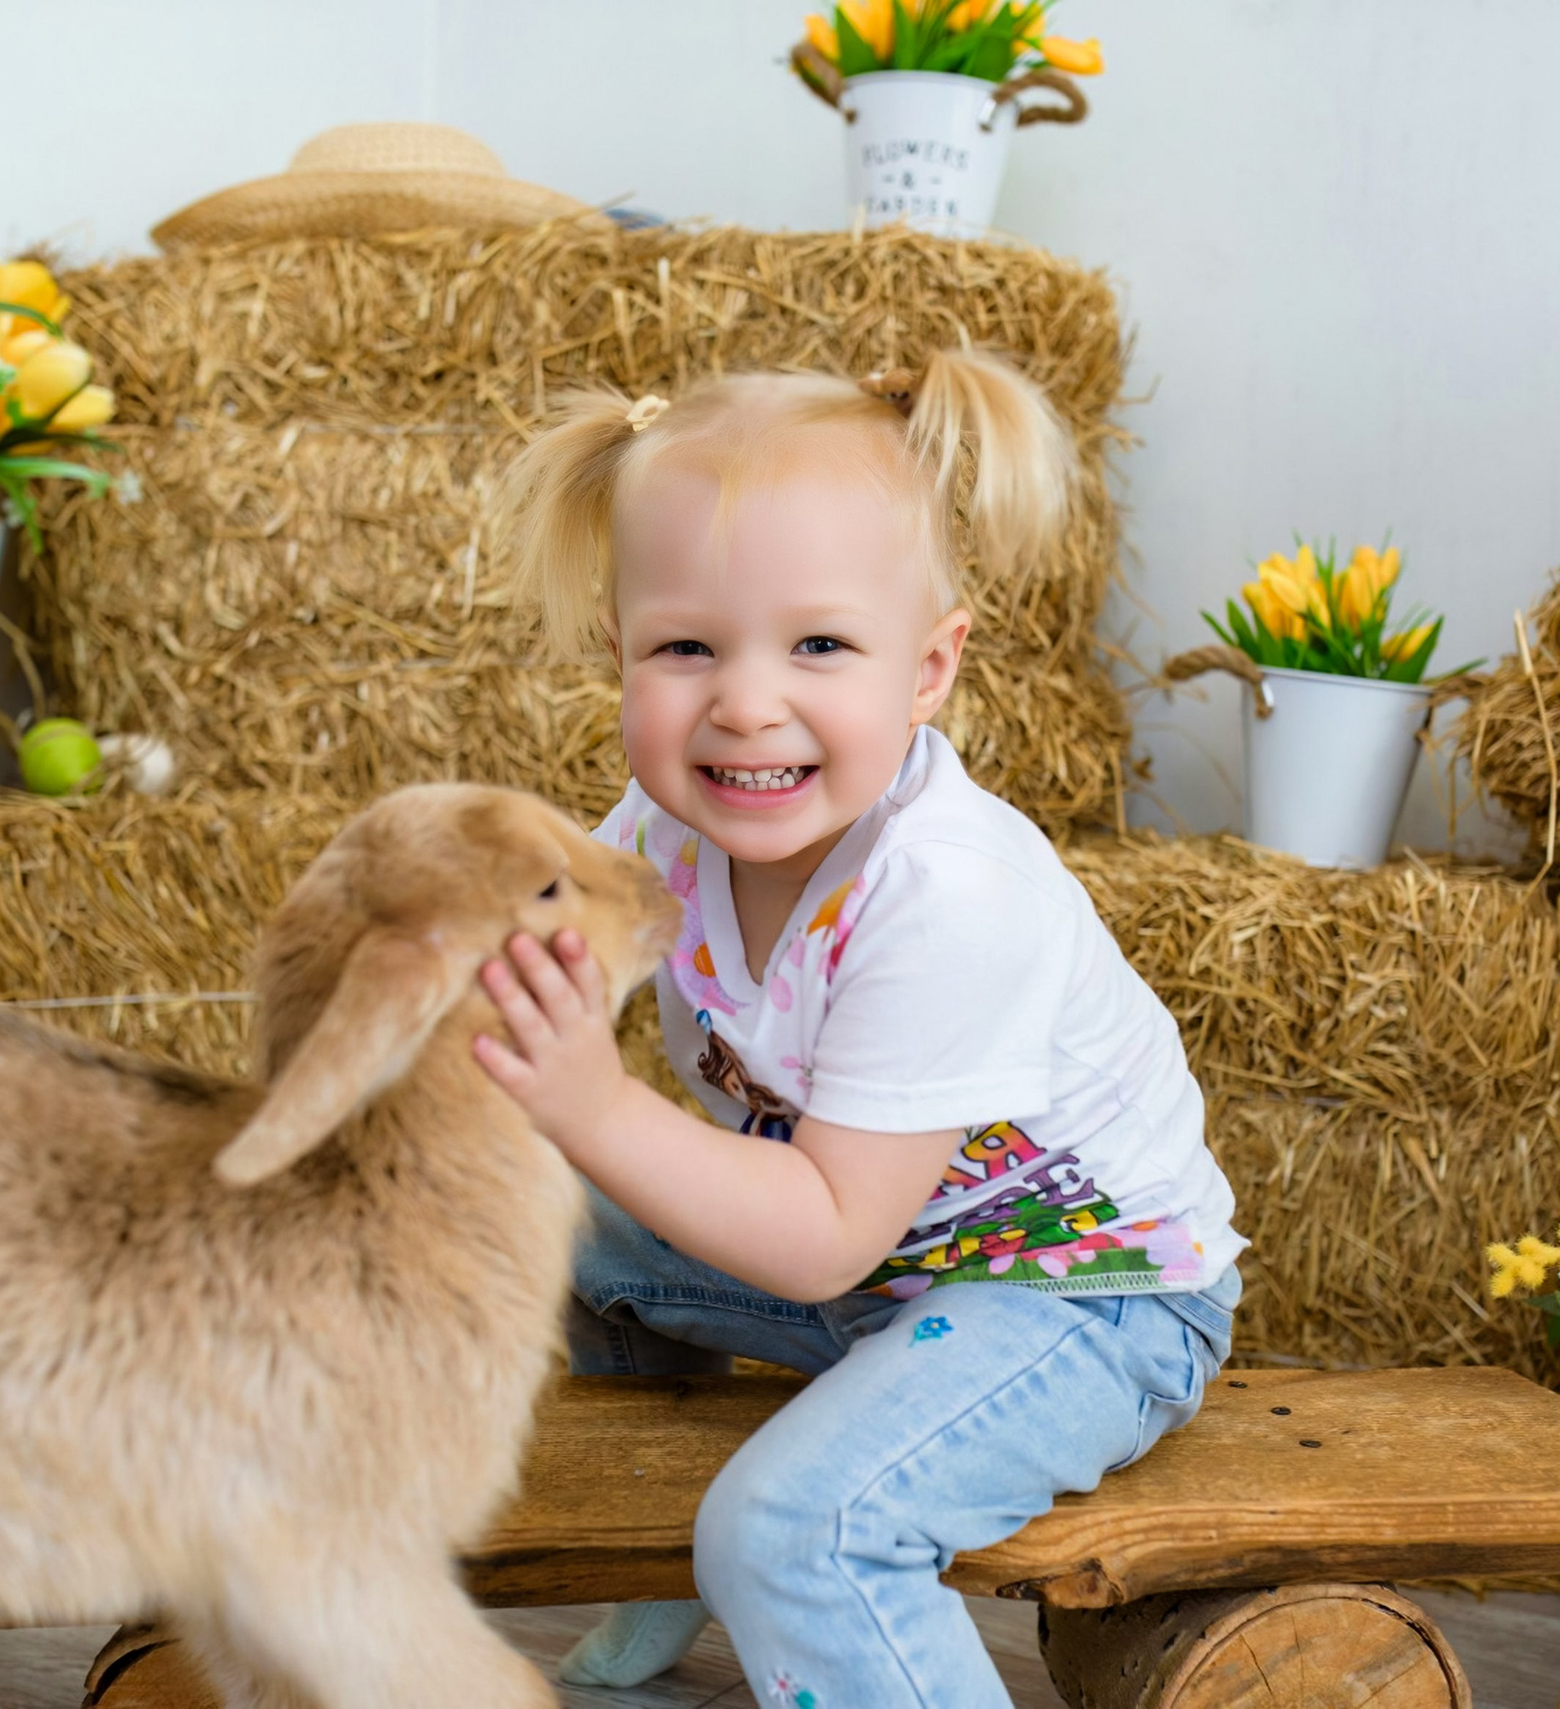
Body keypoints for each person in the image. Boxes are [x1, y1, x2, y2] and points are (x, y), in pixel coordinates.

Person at [474, 350, 1246, 1708]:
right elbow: (522, 988)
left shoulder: (947, 893)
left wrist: (591, 1102)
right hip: (883, 1271)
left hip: (1080, 1293)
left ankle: (754, 1550)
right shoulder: (663, 829)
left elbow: (826, 1230)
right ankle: (655, 1547)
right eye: (687, 646)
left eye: (819, 646)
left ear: (928, 668)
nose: (745, 702)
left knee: (794, 1534)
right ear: (619, 651)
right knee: (544, 1214)